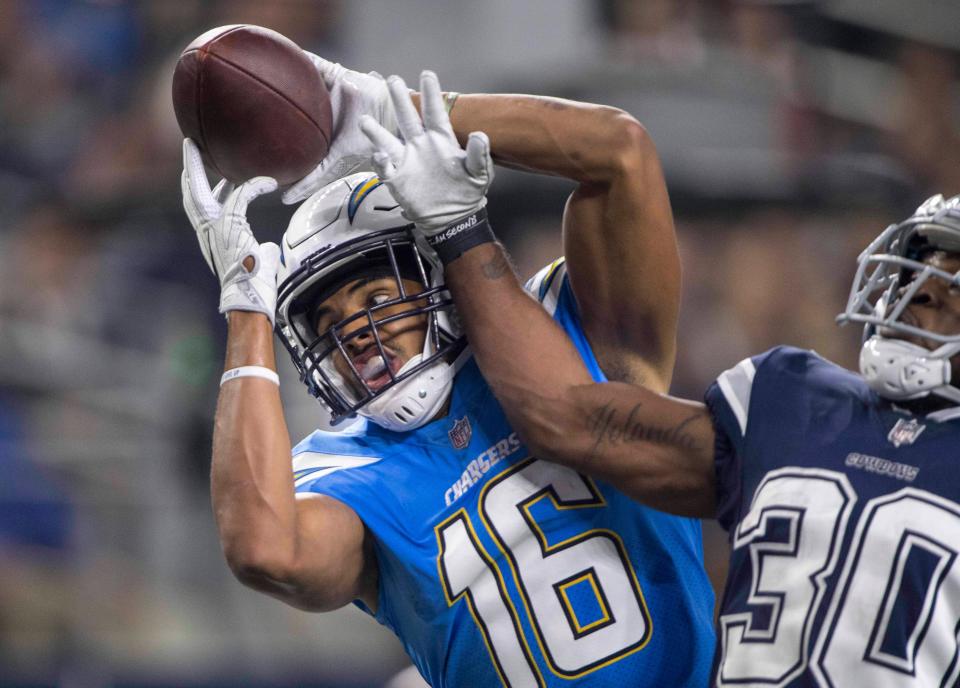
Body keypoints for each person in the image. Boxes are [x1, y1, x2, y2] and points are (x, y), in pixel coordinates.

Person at [366, 66, 960, 686]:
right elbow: (568, 416)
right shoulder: (801, 402)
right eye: (920, 276)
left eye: (950, 288)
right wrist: (458, 227)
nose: (920, 298)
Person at [180, 61, 716, 686]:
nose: (351, 332)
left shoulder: (565, 328)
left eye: (376, 300)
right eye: (326, 323)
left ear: (438, 273)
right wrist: (245, 311)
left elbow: (620, 151)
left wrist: (388, 110)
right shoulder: (344, 470)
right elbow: (265, 549)